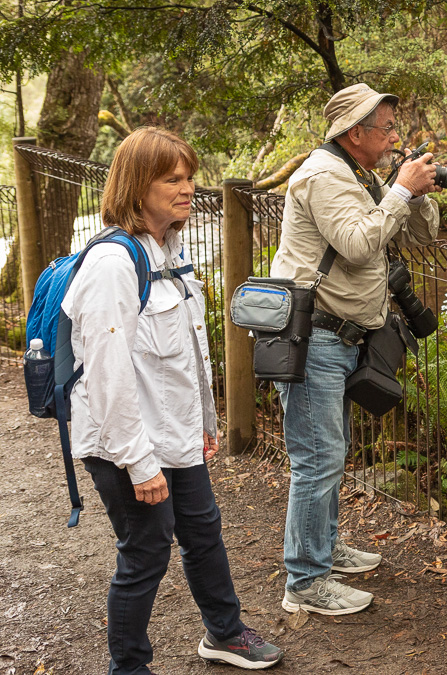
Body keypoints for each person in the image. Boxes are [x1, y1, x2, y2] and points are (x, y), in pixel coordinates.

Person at [66, 127, 283, 674]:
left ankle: (225, 633)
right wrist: (140, 464)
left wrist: (203, 423)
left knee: (202, 531)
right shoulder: (113, 265)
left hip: (174, 431)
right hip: (125, 443)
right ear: (139, 186)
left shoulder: (169, 250)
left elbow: (189, 352)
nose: (186, 189)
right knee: (146, 552)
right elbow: (108, 376)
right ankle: (130, 667)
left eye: (189, 177)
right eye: (172, 179)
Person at [270, 83, 441, 615]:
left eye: (395, 126)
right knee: (318, 458)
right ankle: (304, 581)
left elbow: (422, 235)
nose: (395, 136)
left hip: (339, 336)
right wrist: (398, 192)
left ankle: (323, 548)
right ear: (353, 134)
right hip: (312, 336)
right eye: (387, 128)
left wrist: (414, 188)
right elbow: (357, 243)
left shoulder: (357, 174)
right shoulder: (323, 176)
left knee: (331, 450)